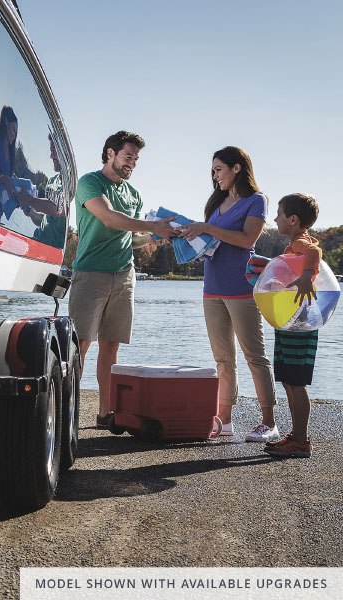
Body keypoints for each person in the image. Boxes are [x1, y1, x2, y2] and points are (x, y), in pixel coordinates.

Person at [68, 130, 176, 428]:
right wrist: (151, 224)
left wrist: (155, 236)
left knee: (111, 346)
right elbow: (110, 219)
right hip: (90, 274)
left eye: (136, 159)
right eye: (128, 157)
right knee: (80, 344)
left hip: (124, 275)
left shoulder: (134, 194)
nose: (133, 163)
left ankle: (105, 414)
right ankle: (66, 412)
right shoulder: (90, 183)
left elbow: (129, 236)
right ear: (110, 154)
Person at [179, 146, 278, 442]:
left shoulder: (256, 200)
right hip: (212, 289)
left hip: (241, 288)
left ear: (237, 168)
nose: (215, 175)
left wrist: (208, 227)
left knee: (255, 357)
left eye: (219, 169)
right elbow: (212, 242)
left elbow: (247, 238)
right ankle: (224, 420)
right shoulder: (217, 202)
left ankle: (269, 422)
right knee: (222, 359)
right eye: (213, 170)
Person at [264, 193, 322, 458]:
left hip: (300, 322)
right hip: (291, 321)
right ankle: (296, 437)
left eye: (279, 213)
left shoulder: (302, 242)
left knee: (296, 382)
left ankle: (300, 441)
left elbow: (314, 253)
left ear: (293, 219)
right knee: (289, 380)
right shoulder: (294, 245)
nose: (275, 218)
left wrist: (308, 275)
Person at [18, 134, 67, 248]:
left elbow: (58, 209)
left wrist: (29, 199)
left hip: (51, 250)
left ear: (64, 152)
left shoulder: (70, 184)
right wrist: (31, 212)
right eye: (51, 150)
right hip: (36, 241)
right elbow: (45, 220)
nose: (51, 156)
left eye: (54, 150)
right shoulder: (51, 181)